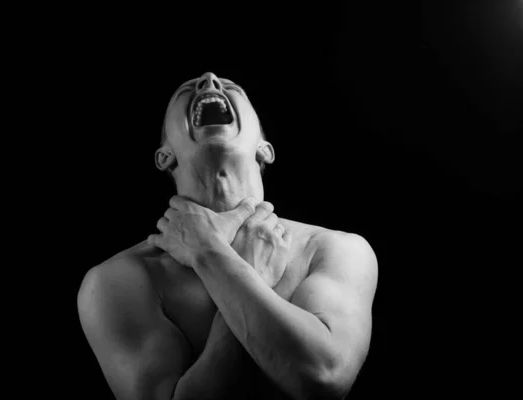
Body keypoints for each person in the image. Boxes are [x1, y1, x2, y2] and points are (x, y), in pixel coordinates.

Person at [77, 72, 378, 400]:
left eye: (231, 87)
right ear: (165, 156)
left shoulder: (334, 250)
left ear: (265, 150)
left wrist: (211, 254)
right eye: (187, 89)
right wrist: (246, 269)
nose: (209, 81)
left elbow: (323, 377)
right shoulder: (118, 280)